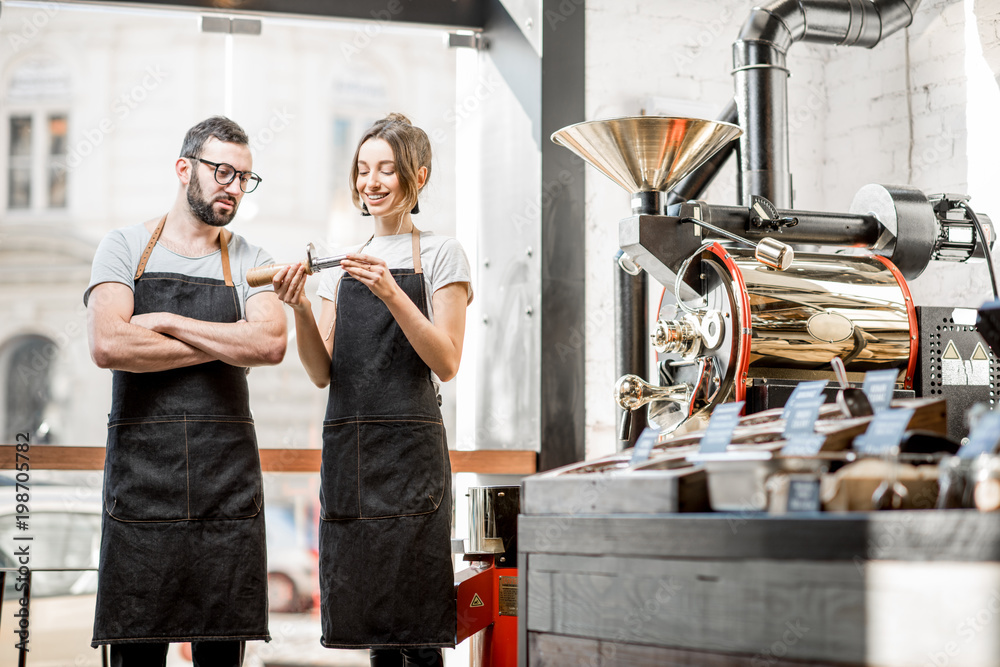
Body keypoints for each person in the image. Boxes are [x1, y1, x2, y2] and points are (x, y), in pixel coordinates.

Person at [84, 116, 286, 667]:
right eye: (222, 171)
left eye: (245, 178)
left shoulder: (254, 258)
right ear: (183, 169)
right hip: (142, 494)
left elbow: (269, 343)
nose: (234, 187)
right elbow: (108, 344)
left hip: (227, 495)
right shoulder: (123, 246)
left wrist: (167, 320)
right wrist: (227, 343)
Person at [272, 113, 472, 667]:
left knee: (419, 629)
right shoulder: (340, 263)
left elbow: (447, 359)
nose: (372, 182)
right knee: (375, 633)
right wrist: (301, 309)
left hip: (410, 461)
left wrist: (391, 291)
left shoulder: (440, 254)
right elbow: (321, 371)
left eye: (387, 169)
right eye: (363, 170)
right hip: (353, 462)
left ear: (419, 177)